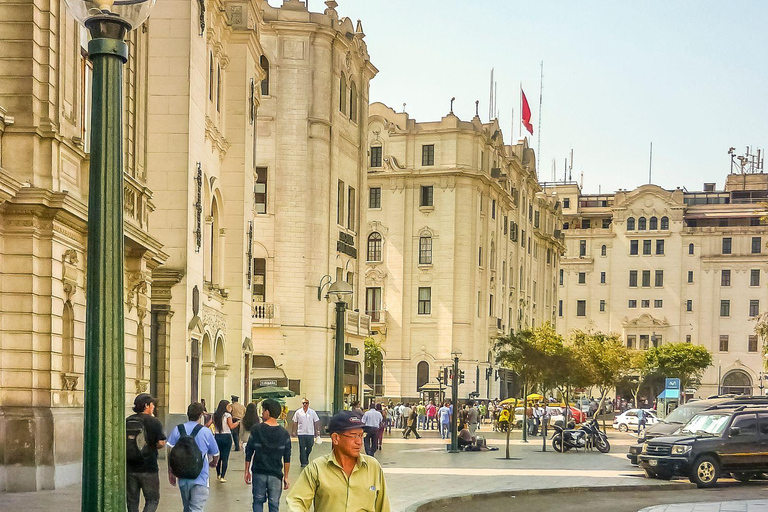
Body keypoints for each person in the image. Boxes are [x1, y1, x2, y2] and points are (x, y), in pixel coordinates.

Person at [286, 410, 390, 511]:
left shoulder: (373, 467)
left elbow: (383, 506)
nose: (359, 442)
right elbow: (296, 501)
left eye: (361, 435)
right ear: (336, 438)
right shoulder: (317, 469)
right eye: (353, 435)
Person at [166, 402, 220, 512]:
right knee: (196, 509)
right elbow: (215, 453)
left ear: (187, 414)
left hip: (183, 477)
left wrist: (171, 471)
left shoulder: (178, 429)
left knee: (187, 508)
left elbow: (170, 450)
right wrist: (214, 463)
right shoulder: (206, 432)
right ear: (201, 415)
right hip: (200, 477)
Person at [245, 399, 291, 512]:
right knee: (274, 504)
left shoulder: (256, 429)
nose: (262, 413)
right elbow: (287, 456)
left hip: (259, 472)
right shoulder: (284, 433)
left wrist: (247, 471)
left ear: (268, 412)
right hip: (275, 474)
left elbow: (249, 451)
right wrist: (286, 476)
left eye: (263, 410)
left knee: (257, 501)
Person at [126, 393, 166, 512]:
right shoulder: (154, 422)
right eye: (152, 404)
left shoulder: (128, 420)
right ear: (147, 405)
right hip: (149, 468)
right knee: (152, 500)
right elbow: (161, 442)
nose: (153, 406)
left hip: (130, 467)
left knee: (132, 501)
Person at [212, 399, 240, 482]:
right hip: (226, 437)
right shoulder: (227, 415)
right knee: (225, 457)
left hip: (217, 436)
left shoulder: (215, 415)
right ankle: (223, 476)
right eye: (228, 406)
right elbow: (231, 426)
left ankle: (218, 474)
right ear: (225, 406)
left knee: (218, 456)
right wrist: (238, 423)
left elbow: (209, 424)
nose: (230, 407)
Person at [291, 398, 320, 468]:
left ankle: (306, 457)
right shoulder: (298, 412)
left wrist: (317, 431)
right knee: (302, 448)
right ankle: (303, 462)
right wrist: (294, 431)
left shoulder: (312, 412)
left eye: (306, 403)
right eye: (303, 403)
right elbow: (295, 422)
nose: (305, 404)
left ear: (308, 404)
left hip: (310, 433)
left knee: (310, 447)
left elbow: (316, 422)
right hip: (301, 433)